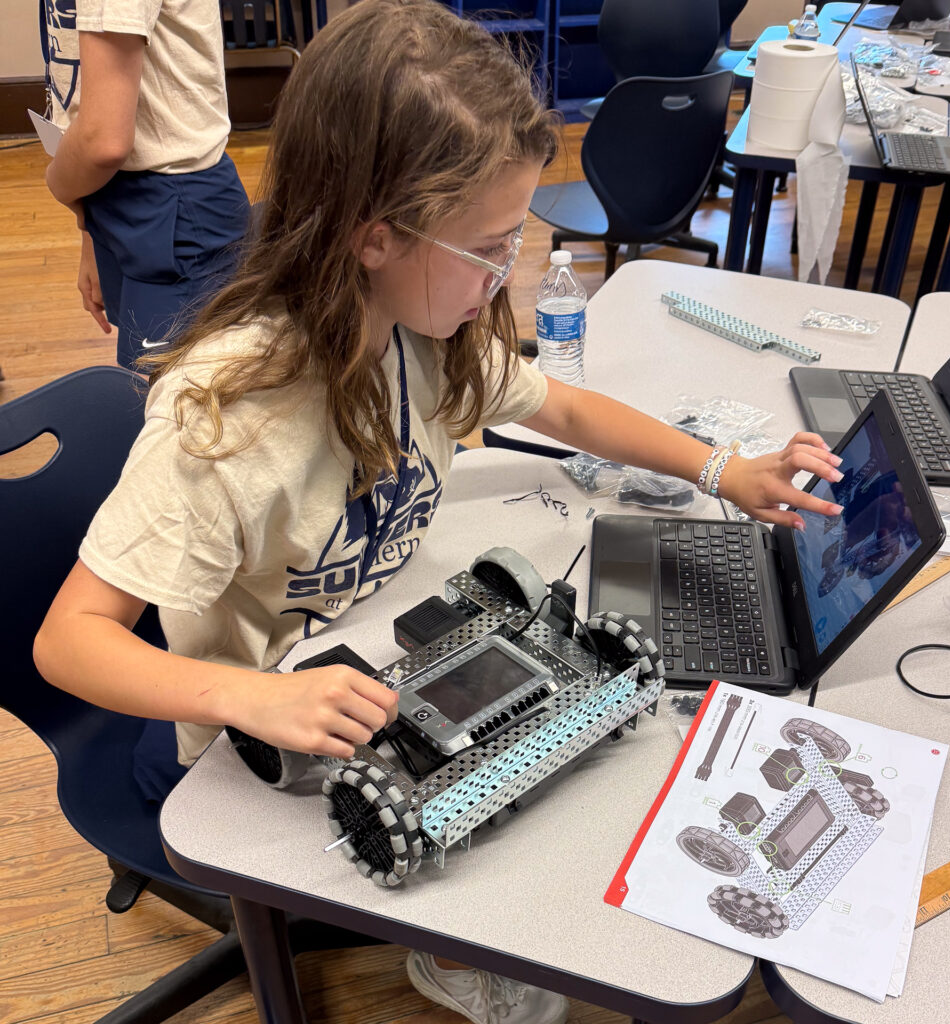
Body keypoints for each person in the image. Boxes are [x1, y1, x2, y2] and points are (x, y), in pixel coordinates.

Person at [33, 2, 845, 1021]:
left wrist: (724, 468)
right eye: (488, 246)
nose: (503, 274)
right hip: (265, 737)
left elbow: (564, 403)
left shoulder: (422, 330)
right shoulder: (225, 422)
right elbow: (70, 643)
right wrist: (247, 698)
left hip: (384, 655)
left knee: (608, 761)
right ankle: (437, 953)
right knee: (550, 862)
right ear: (375, 238)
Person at [41, 0, 251, 369]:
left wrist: (58, 184)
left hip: (174, 209)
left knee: (172, 413)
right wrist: (89, 228)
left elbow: (104, 141)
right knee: (149, 394)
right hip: (115, 195)